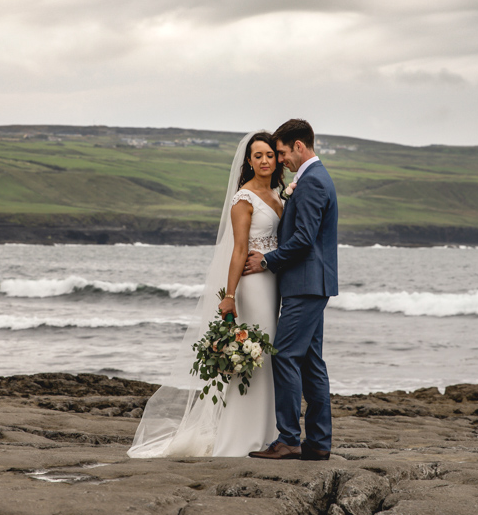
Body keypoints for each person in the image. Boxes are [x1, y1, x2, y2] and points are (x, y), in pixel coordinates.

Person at [127, 131, 284, 457]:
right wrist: (229, 295)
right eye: (258, 156)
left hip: (274, 284)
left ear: (277, 158)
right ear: (249, 161)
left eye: (269, 154)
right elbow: (239, 250)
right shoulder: (245, 199)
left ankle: (269, 433)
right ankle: (240, 439)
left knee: (269, 359)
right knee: (252, 359)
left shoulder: (279, 194)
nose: (265, 161)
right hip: (252, 286)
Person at [243, 119, 338, 461]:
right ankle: (319, 443)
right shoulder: (312, 178)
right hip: (312, 283)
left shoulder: (312, 182)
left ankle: (288, 439)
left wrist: (267, 261)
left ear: (299, 146)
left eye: (281, 152)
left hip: (305, 284)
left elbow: (302, 240)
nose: (280, 159)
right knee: (311, 362)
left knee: (283, 355)